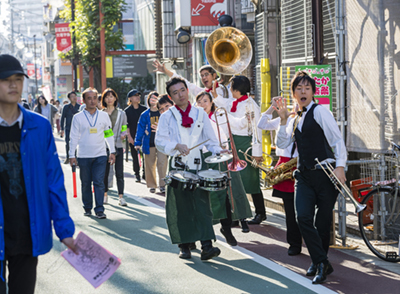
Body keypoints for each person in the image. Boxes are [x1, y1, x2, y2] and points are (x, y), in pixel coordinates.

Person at [0, 53, 77, 293]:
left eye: (18, 79)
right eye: (5, 80)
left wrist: (64, 230)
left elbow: (53, 180)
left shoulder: (39, 126)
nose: (13, 85)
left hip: (27, 230)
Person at [274, 71, 347, 284]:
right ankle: (323, 262)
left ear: (313, 92)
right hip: (304, 176)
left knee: (322, 224)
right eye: (299, 88)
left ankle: (318, 262)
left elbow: (337, 141)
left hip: (326, 175)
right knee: (303, 218)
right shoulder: (294, 118)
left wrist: (340, 167)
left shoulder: (321, 112)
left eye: (307, 88)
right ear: (293, 94)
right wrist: (282, 120)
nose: (303, 91)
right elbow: (283, 144)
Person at [155, 77, 224, 260]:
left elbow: (210, 140)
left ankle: (207, 246)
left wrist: (219, 150)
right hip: (177, 166)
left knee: (202, 205)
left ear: (187, 90)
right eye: (175, 93)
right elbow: (160, 141)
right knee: (181, 206)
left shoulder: (200, 114)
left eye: (182, 90)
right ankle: (184, 245)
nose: (180, 95)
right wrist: (176, 145)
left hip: (198, 165)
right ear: (171, 96)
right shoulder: (166, 116)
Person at [196, 91, 252, 245]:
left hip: (222, 158)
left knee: (226, 195)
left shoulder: (219, 115)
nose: (202, 104)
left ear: (211, 102)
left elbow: (236, 123)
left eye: (205, 101)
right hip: (204, 160)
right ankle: (203, 235)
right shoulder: (196, 118)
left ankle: (227, 227)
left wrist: (246, 118)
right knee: (207, 197)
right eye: (199, 102)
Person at [211, 76, 266, 225]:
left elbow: (257, 129)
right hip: (233, 141)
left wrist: (257, 152)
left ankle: (261, 212)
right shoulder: (234, 101)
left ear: (236, 90)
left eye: (231, 87)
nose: (229, 90)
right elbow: (221, 101)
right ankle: (236, 213)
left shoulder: (251, 104)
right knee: (235, 180)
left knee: (252, 180)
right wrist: (215, 88)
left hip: (245, 143)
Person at [257, 97, 302, 256]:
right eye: (295, 101)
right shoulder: (285, 119)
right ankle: (294, 243)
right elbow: (261, 124)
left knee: (303, 210)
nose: (297, 106)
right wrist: (272, 108)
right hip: (285, 166)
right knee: (290, 210)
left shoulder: (307, 119)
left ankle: (308, 240)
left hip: (301, 164)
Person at [69, 87, 116, 219]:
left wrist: (112, 151)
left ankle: (100, 209)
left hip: (100, 154)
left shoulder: (104, 116)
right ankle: (87, 207)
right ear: (83, 100)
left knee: (99, 182)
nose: (92, 101)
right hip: (83, 155)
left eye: (95, 98)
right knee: (85, 183)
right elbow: (73, 137)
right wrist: (71, 155)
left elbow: (109, 134)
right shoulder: (77, 118)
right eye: (89, 98)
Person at [135, 91, 168, 193]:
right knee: (150, 165)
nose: (153, 100)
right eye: (151, 98)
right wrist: (137, 143)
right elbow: (140, 129)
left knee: (162, 163)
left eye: (155, 98)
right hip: (148, 143)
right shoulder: (144, 114)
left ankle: (162, 185)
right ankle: (152, 185)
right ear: (148, 100)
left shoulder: (163, 112)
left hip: (161, 143)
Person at [101, 88, 128, 206]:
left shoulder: (122, 113)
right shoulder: (100, 113)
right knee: (105, 172)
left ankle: (121, 197)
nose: (109, 99)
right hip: (104, 147)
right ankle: (104, 195)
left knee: (119, 173)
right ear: (104, 99)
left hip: (117, 146)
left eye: (111, 96)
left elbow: (124, 127)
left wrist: (124, 134)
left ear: (115, 98)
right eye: (107, 96)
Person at [153, 61, 232, 99]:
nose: (204, 78)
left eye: (206, 74)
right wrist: (166, 71)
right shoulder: (201, 92)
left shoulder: (224, 90)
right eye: (201, 76)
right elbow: (186, 83)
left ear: (214, 75)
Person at [125, 89, 147, 182]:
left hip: (144, 136)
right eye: (135, 95)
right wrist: (129, 137)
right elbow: (126, 125)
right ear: (130, 98)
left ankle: (145, 174)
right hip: (133, 136)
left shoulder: (144, 109)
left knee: (145, 156)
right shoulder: (127, 111)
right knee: (135, 157)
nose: (137, 97)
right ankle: (137, 174)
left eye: (138, 95)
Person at [60, 91, 80, 164]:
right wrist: (62, 128)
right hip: (68, 128)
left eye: (75, 96)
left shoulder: (79, 107)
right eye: (72, 96)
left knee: (77, 143)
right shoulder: (66, 107)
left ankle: (76, 158)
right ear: (69, 98)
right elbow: (62, 118)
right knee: (68, 143)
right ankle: (68, 157)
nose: (74, 98)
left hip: (78, 128)